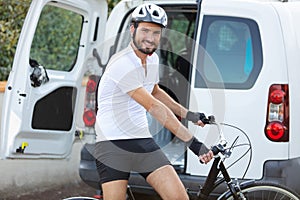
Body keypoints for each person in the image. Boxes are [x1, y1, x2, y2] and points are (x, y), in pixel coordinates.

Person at [94, 3, 214, 200]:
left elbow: (155, 92)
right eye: (145, 30)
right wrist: (193, 143)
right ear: (132, 29)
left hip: (141, 141)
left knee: (179, 197)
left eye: (156, 33)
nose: (150, 38)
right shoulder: (122, 63)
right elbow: (153, 106)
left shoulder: (152, 60)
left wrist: (190, 115)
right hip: (112, 145)